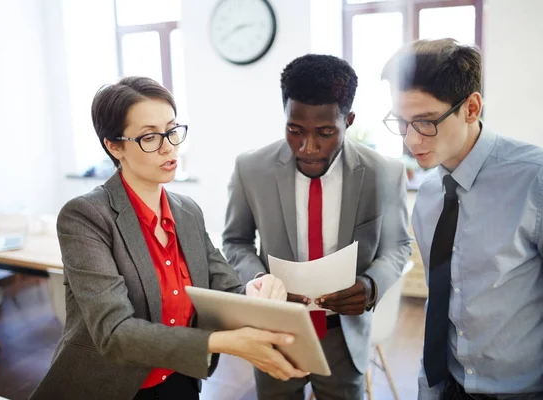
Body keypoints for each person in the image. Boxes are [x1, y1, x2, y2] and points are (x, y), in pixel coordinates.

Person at [30, 77, 308, 400]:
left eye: (172, 130)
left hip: (179, 381)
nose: (168, 147)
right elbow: (115, 333)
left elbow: (225, 287)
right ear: (114, 146)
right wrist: (222, 343)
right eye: (150, 137)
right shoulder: (86, 217)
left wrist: (254, 289)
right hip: (107, 387)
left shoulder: (187, 212)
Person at [222, 54, 412, 400]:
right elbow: (235, 241)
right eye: (295, 131)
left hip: (344, 334)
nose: (308, 148)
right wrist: (259, 282)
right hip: (275, 329)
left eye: (325, 133)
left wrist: (371, 285)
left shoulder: (384, 172)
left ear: (348, 120)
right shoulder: (251, 168)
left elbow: (398, 246)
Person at [381, 38, 543, 399]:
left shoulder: (534, 179)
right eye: (401, 122)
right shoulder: (427, 196)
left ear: (471, 108)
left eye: (424, 122)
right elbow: (441, 302)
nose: (410, 139)